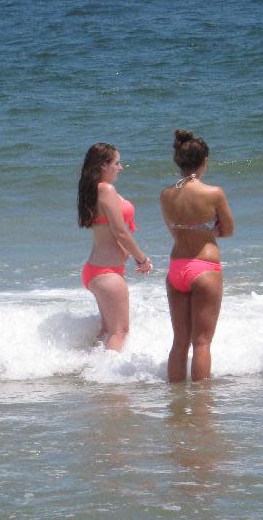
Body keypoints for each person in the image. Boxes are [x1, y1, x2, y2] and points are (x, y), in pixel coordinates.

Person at [160, 130, 234, 382]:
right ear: (205, 162)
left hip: (176, 267)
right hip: (204, 265)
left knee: (179, 342)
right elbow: (229, 230)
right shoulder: (213, 193)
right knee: (201, 343)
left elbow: (173, 230)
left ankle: (177, 404)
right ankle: (201, 407)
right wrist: (209, 231)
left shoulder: (166, 194)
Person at [78, 143, 152, 351]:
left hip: (98, 269)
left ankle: (92, 374)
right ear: (103, 165)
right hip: (106, 272)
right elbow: (121, 232)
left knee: (107, 331)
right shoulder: (106, 189)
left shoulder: (95, 189)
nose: (120, 167)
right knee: (120, 332)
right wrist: (142, 259)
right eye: (117, 163)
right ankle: (112, 382)